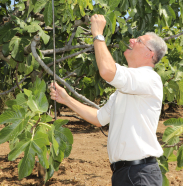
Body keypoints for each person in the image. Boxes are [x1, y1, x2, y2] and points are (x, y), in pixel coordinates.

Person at [50, 14, 167, 186]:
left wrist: (98, 34)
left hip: (140, 175)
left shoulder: (149, 78)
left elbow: (107, 71)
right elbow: (99, 118)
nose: (132, 40)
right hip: (124, 174)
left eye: (139, 41)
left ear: (150, 54)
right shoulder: (124, 90)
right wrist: (67, 99)